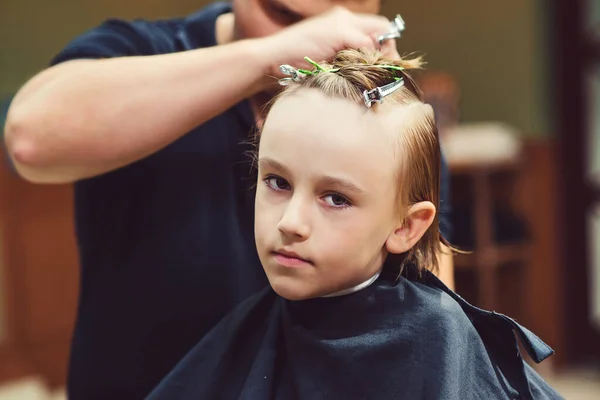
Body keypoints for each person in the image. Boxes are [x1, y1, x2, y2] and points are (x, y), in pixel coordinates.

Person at [3, 1, 454, 399]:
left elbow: (427, 310)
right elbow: (29, 139)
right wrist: (269, 59)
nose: (291, 223)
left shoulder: (394, 134)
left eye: (335, 197)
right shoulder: (146, 48)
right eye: (281, 14)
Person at [147, 49, 562, 400]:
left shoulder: (436, 339)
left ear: (405, 227)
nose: (291, 223)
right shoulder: (246, 330)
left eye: (336, 198)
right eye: (277, 182)